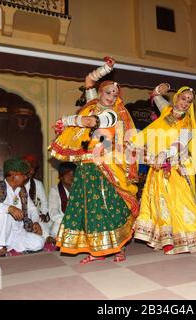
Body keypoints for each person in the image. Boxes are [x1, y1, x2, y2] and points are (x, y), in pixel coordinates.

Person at [49, 57, 139, 264]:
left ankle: (119, 248)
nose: (111, 97)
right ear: (99, 93)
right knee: (87, 207)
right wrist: (104, 69)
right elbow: (88, 81)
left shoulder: (112, 114)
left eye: (115, 94)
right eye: (108, 92)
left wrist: (67, 120)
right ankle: (95, 248)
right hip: (86, 166)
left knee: (110, 205)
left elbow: (91, 122)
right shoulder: (91, 104)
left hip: (106, 165)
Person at [129, 84, 196, 254]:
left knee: (180, 202)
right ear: (177, 97)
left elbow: (180, 144)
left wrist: (164, 153)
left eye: (189, 101)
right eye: (184, 98)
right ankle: (166, 239)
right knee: (159, 203)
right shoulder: (166, 110)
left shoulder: (188, 123)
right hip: (157, 167)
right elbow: (155, 95)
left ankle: (191, 237)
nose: (185, 103)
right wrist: (163, 88)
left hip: (175, 167)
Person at [0, 157, 45, 258]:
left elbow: (32, 209)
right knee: (1, 215)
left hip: (15, 233)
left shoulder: (22, 191)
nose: (26, 177)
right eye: (23, 174)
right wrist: (9, 208)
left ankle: (7, 245)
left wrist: (35, 221)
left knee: (39, 242)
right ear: (13, 174)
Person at [22, 154, 50, 241]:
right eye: (30, 169)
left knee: (43, 224)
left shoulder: (38, 184)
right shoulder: (16, 183)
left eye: (34, 169)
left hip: (35, 216)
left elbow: (44, 203)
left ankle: (47, 238)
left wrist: (44, 213)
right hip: (20, 216)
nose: (32, 172)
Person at [48, 162, 76, 242]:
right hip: (61, 222)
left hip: (77, 222)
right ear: (60, 176)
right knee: (57, 228)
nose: (71, 177)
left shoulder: (79, 189)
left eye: (73, 174)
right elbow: (53, 211)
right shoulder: (55, 190)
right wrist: (66, 221)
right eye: (68, 174)